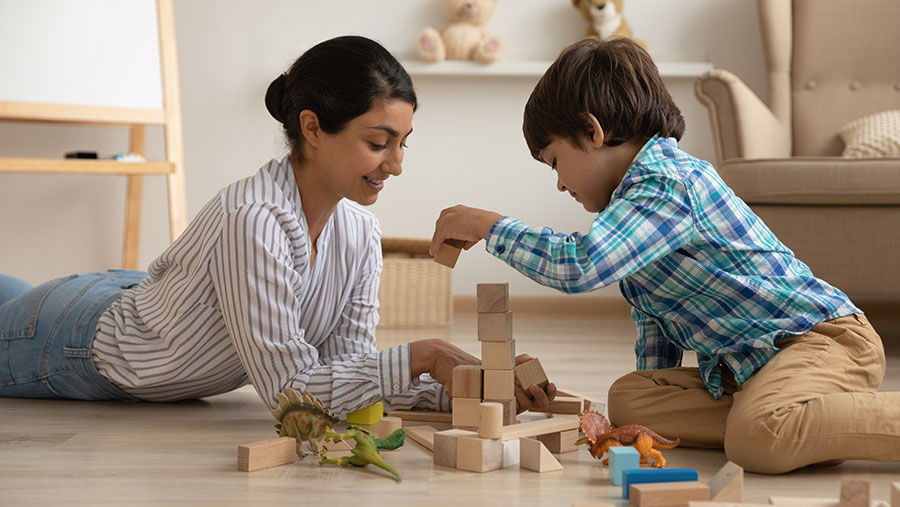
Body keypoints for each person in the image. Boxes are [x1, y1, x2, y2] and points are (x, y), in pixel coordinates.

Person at [0, 35, 553, 415]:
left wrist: (471, 387)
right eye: (378, 143)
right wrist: (425, 356)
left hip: (134, 296)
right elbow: (291, 391)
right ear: (312, 128)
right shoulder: (255, 221)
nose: (397, 164)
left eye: (403, 143)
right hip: (74, 343)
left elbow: (347, 373)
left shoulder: (357, 230)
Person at [429, 37, 900, 474]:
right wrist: (634, 425)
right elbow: (656, 334)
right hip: (750, 371)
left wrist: (487, 226)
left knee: (758, 439)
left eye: (555, 161)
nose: (558, 182)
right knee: (630, 399)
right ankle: (797, 418)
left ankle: (784, 420)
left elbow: (580, 267)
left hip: (820, 342)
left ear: (592, 131)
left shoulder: (666, 183)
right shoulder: (628, 213)